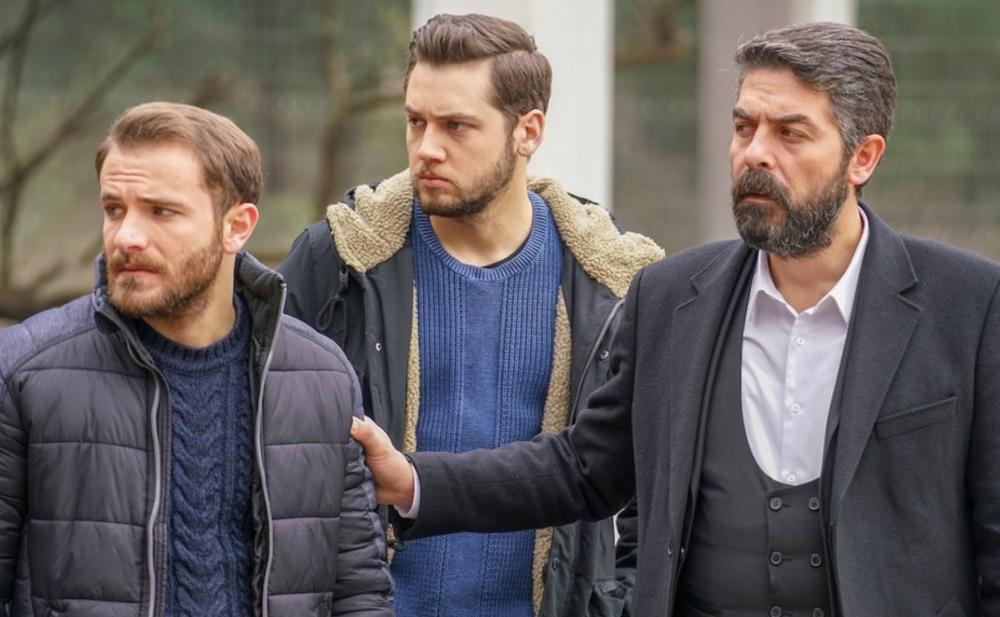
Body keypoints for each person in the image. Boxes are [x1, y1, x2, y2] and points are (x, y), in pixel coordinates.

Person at [351, 21, 1000, 617]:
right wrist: (414, 480)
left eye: (790, 133)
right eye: (744, 127)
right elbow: (585, 467)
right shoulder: (668, 297)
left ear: (864, 157)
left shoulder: (969, 307)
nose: (755, 153)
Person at [278, 12, 664, 617]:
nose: (427, 149)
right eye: (416, 121)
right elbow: (264, 450)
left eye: (457, 125)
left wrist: (620, 603)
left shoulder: (614, 283)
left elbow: (654, 476)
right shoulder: (339, 261)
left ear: (527, 131)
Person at [0, 102, 395, 616]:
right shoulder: (24, 370)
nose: (126, 236)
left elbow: (358, 594)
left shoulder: (321, 378)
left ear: (237, 226)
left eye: (161, 211)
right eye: (114, 209)